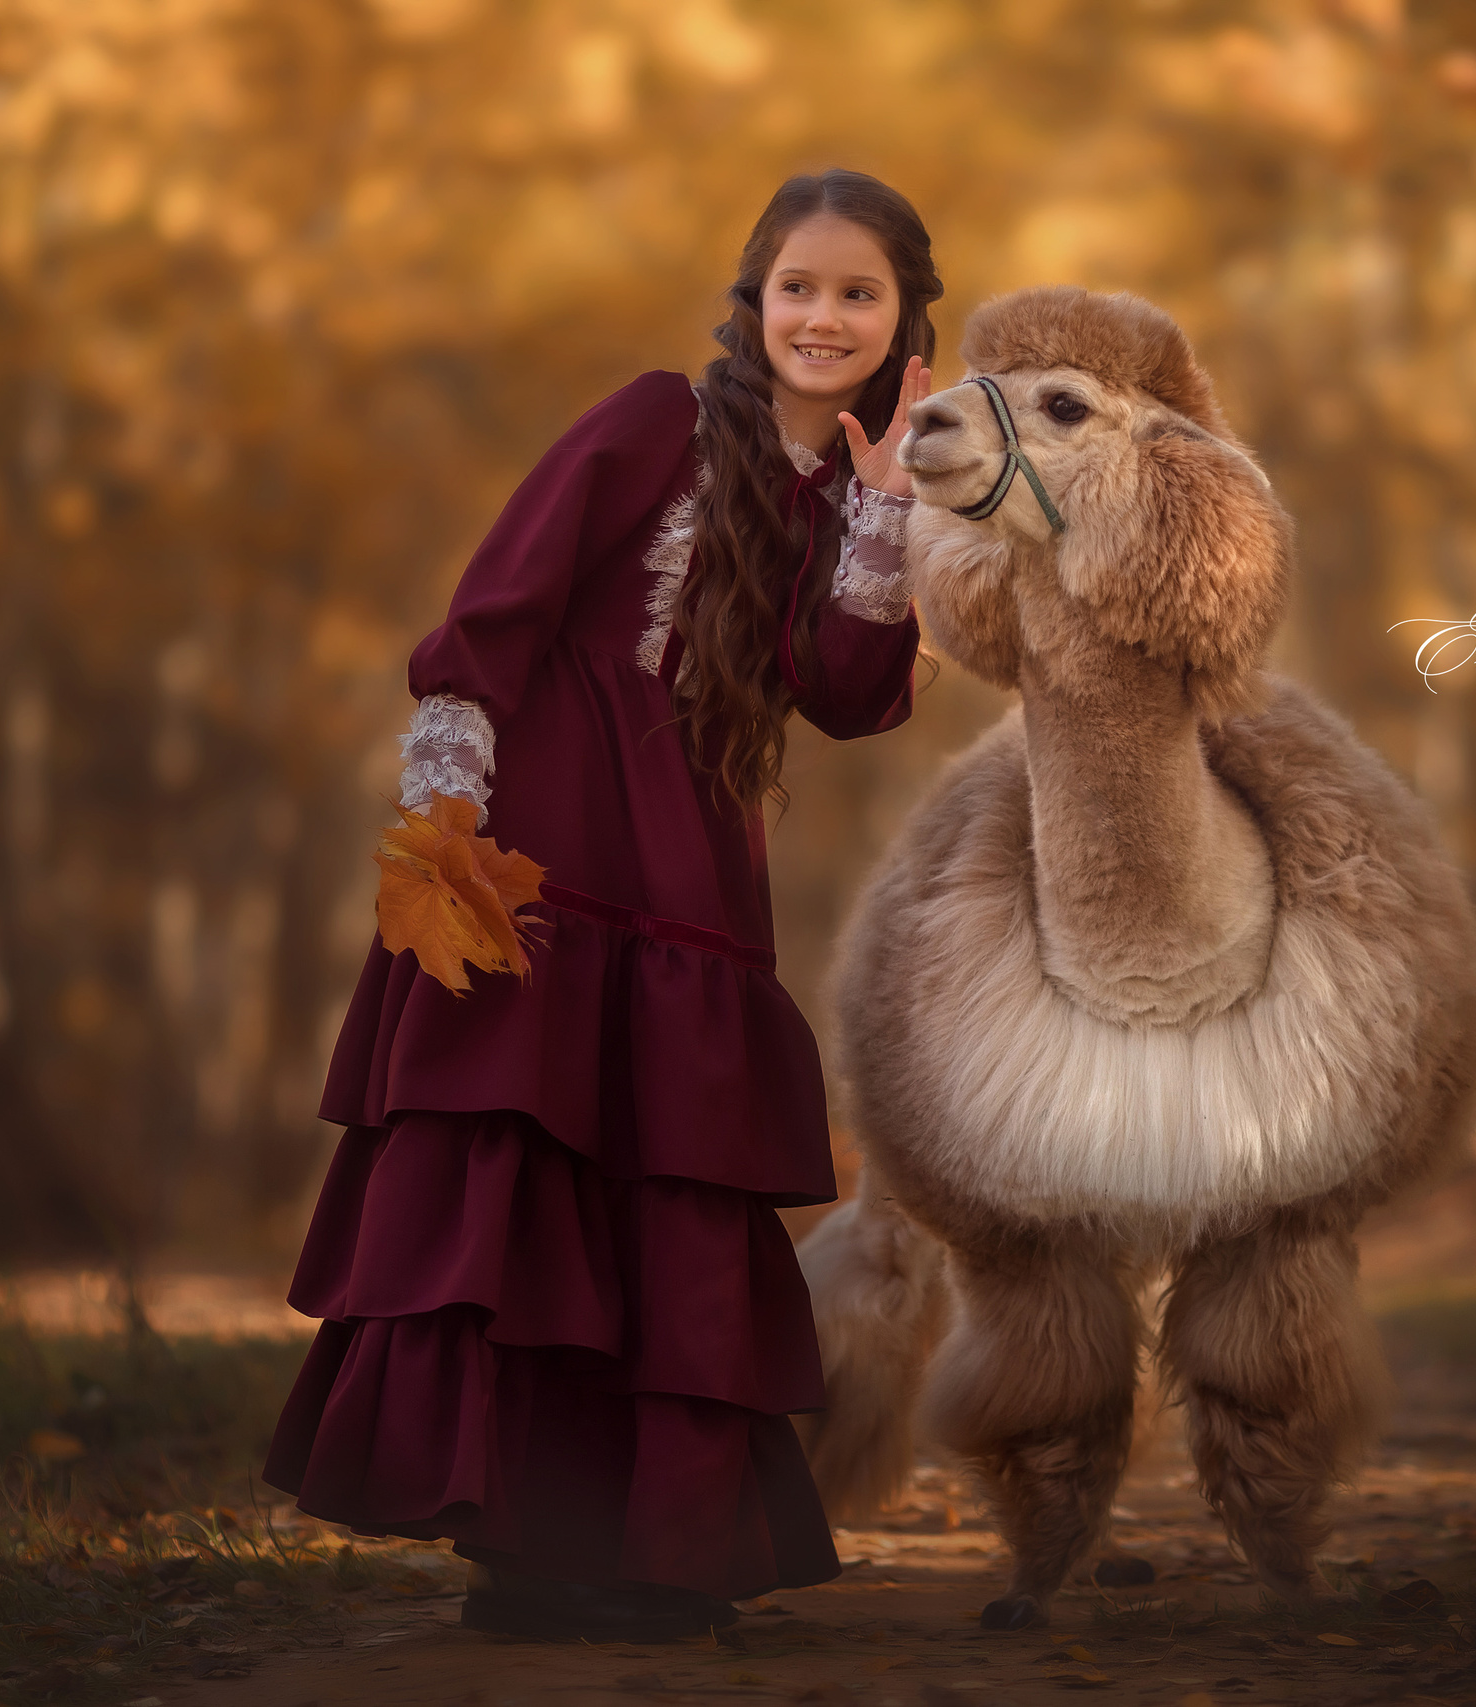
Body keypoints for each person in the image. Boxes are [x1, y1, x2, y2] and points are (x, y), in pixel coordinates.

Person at [262, 169, 939, 1642]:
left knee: (664, 1190)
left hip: (692, 873)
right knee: (524, 1183)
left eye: (858, 293)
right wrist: (450, 784)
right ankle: (527, 1544)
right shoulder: (655, 421)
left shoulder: (857, 495)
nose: (823, 316)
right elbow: (502, 596)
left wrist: (886, 523)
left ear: (902, 324)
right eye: (800, 285)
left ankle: (653, 1550)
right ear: (755, 296)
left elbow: (843, 694)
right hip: (550, 855)